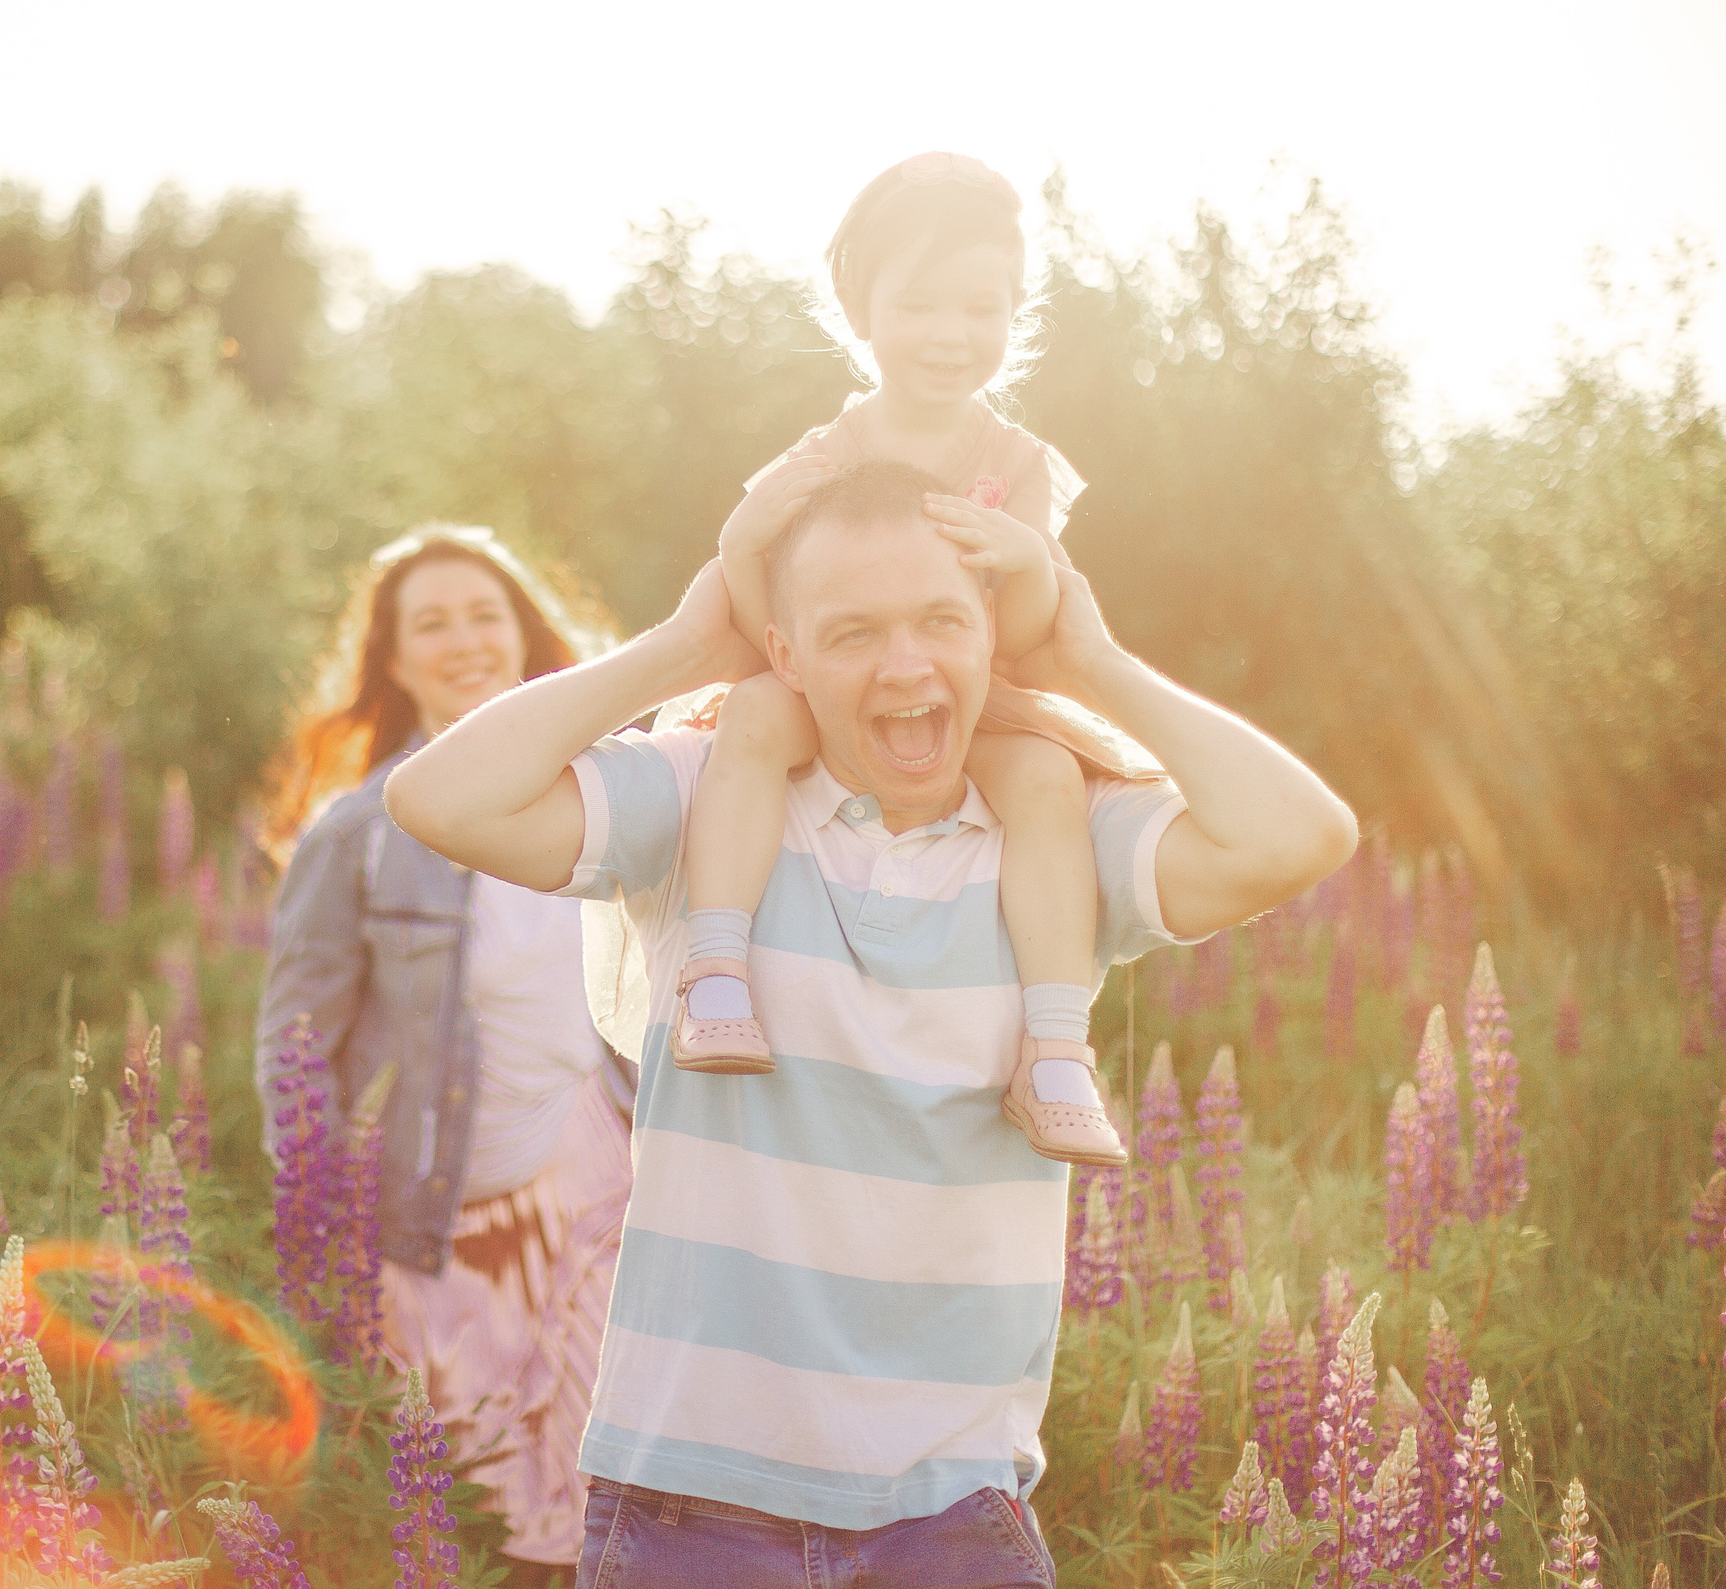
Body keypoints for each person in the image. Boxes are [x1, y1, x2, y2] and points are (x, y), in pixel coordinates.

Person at [384, 462, 1357, 1585]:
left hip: (947, 1517)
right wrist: (683, 650)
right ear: (786, 656)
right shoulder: (706, 802)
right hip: (685, 1510)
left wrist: (1089, 661)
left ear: (991, 637)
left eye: (943, 621)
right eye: (849, 634)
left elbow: (1299, 836)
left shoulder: (1053, 838)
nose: (906, 666)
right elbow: (440, 798)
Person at [671, 153, 1132, 1173]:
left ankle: (1054, 1048)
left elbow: (1020, 638)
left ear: (1018, 314)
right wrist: (747, 543)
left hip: (977, 704)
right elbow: (767, 626)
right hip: (832, 693)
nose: (952, 334)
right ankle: (716, 971)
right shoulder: (821, 455)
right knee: (751, 717)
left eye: (984, 307)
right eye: (919, 305)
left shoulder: (1013, 464)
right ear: (859, 309)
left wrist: (1028, 564)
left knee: (1049, 778)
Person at [254, 525, 631, 1575]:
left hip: (600, 1184)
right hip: (437, 1226)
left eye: (483, 614)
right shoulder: (359, 832)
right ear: (391, 661)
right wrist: (321, 1231)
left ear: (524, 633)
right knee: (479, 1520)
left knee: (613, 1497)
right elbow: (293, 1050)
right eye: (431, 623)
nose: (464, 640)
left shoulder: (606, 788)